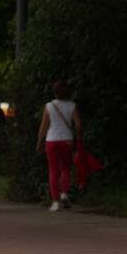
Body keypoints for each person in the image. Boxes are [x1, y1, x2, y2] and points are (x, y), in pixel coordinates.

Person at [36, 80, 81, 211]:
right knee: (65, 168)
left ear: (54, 92)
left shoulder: (49, 106)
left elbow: (43, 126)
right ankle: (64, 193)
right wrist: (78, 137)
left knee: (53, 170)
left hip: (51, 140)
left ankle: (55, 202)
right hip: (67, 140)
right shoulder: (72, 105)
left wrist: (39, 141)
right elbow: (78, 125)